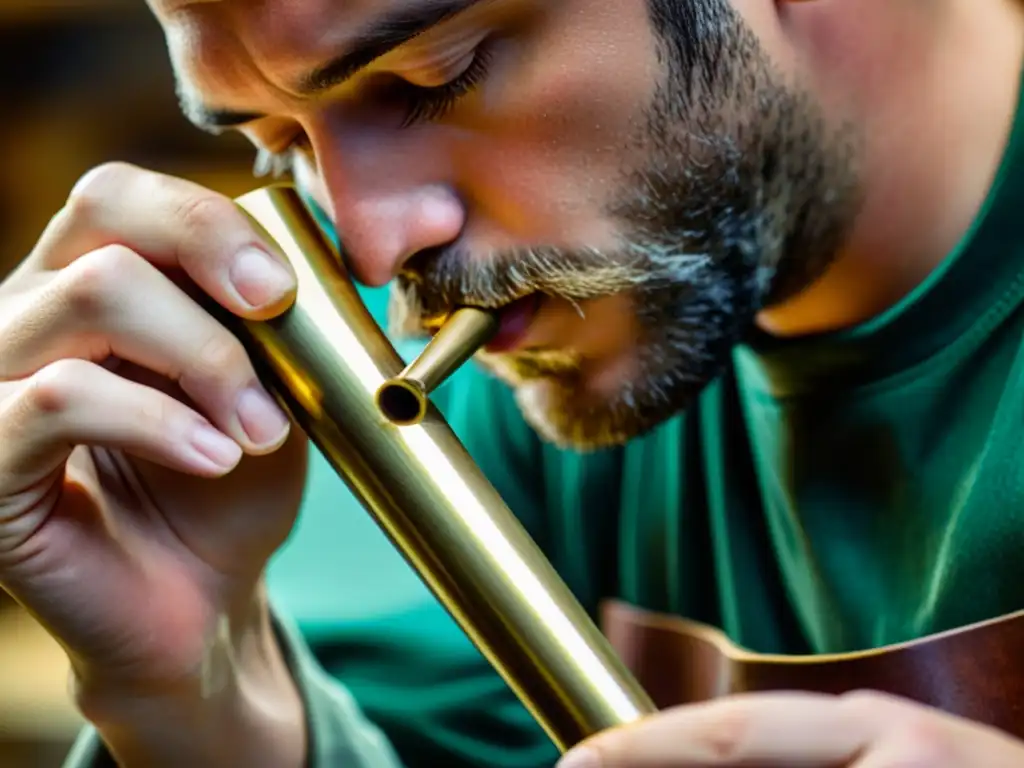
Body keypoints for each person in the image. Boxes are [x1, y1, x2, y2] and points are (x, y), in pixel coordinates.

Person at [0, 0, 1021, 764]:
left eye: (431, 78)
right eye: (276, 142)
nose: (367, 249)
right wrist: (199, 686)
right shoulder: (542, 362)